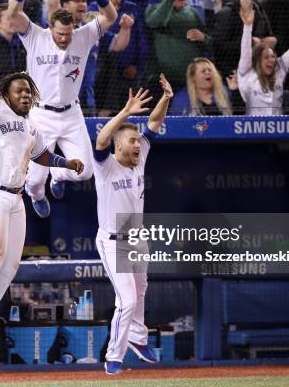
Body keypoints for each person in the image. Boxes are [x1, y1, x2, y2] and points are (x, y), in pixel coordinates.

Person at [0, 72, 84, 359]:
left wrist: (66, 162)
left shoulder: (31, 126)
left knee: (9, 267)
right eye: (19, 91)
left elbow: (41, 155)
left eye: (28, 91)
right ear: (6, 94)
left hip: (15, 197)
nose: (24, 95)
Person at [9, 0, 117, 218]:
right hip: (40, 116)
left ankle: (58, 173)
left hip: (71, 114)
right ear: (51, 28)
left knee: (86, 171)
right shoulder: (35, 36)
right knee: (35, 180)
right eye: (60, 34)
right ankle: (37, 195)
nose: (64, 38)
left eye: (68, 33)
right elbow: (13, 14)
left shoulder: (83, 36)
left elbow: (111, 16)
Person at [93, 75, 172, 375]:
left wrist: (165, 98)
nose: (137, 143)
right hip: (113, 241)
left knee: (140, 291)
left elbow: (153, 125)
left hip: (138, 238)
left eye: (137, 140)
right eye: (131, 140)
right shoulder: (105, 165)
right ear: (118, 145)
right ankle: (114, 356)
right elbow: (101, 140)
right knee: (126, 300)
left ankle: (138, 338)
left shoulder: (141, 158)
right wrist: (125, 113)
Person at [238, 0, 289, 115]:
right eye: (266, 57)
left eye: (273, 56)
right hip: (254, 131)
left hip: (277, 130)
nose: (272, 60)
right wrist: (247, 27)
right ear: (258, 60)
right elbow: (245, 51)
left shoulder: (278, 71)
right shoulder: (247, 74)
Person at [145, 0, 209, 91]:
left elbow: (210, 41)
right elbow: (154, 22)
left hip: (193, 78)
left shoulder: (192, 13)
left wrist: (203, 37)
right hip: (166, 80)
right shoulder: (155, 9)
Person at [212, 0, 275, 80]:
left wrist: (273, 40)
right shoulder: (227, 13)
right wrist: (250, 42)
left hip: (256, 72)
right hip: (233, 74)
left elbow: (268, 34)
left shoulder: (260, 10)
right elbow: (219, 47)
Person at [169, 57, 234, 116]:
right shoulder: (181, 98)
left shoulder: (224, 91)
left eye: (210, 70)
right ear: (193, 77)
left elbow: (238, 116)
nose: (208, 72)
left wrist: (234, 91)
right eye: (203, 71)